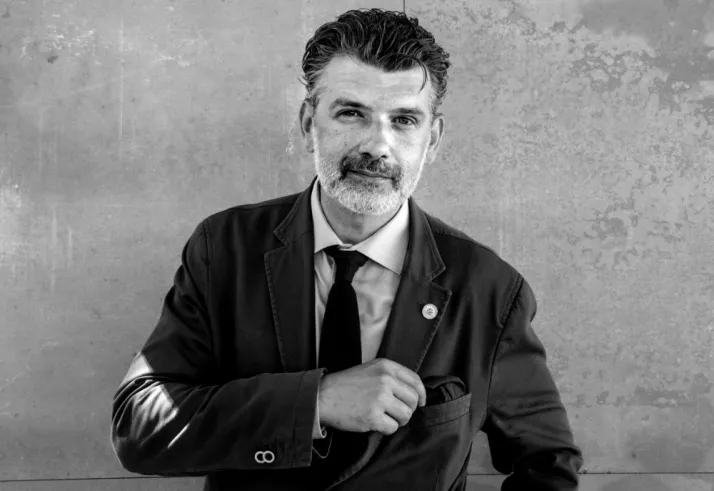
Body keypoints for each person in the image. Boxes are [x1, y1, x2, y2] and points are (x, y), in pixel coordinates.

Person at [111, 8, 583, 491]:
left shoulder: (489, 288)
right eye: (352, 113)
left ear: (433, 140)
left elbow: (549, 465)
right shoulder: (224, 247)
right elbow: (139, 426)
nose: (377, 145)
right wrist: (314, 402)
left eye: (404, 120)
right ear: (307, 122)